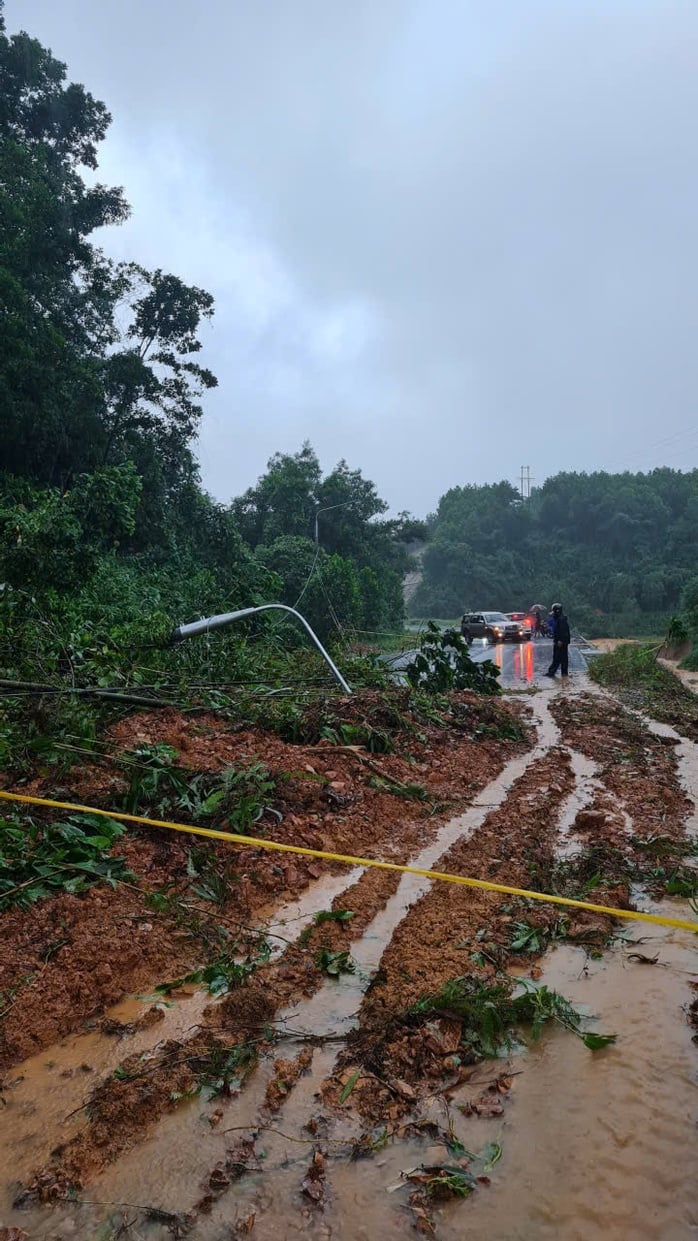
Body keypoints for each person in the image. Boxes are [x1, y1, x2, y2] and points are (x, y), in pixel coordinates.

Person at [544, 603, 571, 678]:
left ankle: (552, 672)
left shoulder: (561, 620)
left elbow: (562, 631)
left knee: (557, 657)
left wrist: (560, 640)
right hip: (563, 641)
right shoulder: (561, 618)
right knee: (563, 658)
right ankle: (564, 674)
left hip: (561, 642)